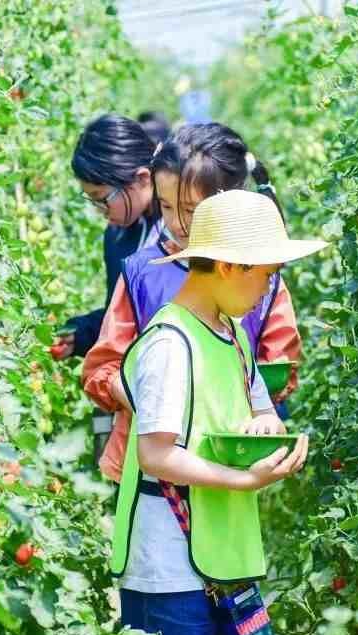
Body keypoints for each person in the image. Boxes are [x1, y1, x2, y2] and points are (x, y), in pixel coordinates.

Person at [111, 189, 325, 635]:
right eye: (265, 275)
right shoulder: (170, 344)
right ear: (228, 266)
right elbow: (156, 455)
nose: (269, 289)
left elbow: (263, 410)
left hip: (219, 563)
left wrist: (267, 431)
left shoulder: (232, 336)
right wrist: (245, 480)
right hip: (169, 572)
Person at [83, 123, 303, 483]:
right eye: (166, 206)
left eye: (191, 209)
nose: (178, 223)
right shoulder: (142, 273)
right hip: (148, 468)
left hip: (231, 461)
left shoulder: (263, 279)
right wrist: (153, 399)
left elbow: (276, 367)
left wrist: (260, 412)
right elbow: (102, 368)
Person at [57, 114, 161, 361]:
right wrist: (80, 334)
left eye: (102, 199)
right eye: (92, 200)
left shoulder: (180, 233)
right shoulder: (117, 237)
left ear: (142, 179)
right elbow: (120, 316)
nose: (100, 210)